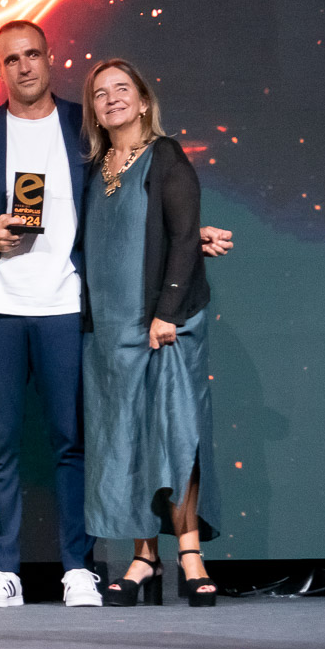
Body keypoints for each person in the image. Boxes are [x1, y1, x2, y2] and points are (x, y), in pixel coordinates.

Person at [0, 20, 232, 608]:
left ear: (50, 57)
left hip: (70, 308)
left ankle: (79, 566)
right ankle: (1, 570)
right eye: (11, 59)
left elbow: (137, 199)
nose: (24, 66)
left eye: (32, 54)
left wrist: (186, 234)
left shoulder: (85, 127)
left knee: (77, 444)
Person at [80, 59, 220, 607]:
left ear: (142, 102)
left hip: (163, 326)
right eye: (100, 93)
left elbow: (183, 236)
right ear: (94, 110)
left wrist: (166, 312)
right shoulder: (95, 169)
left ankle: (190, 554)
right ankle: (144, 558)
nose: (111, 98)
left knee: (175, 435)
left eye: (122, 89)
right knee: (125, 442)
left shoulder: (165, 155)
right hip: (109, 335)